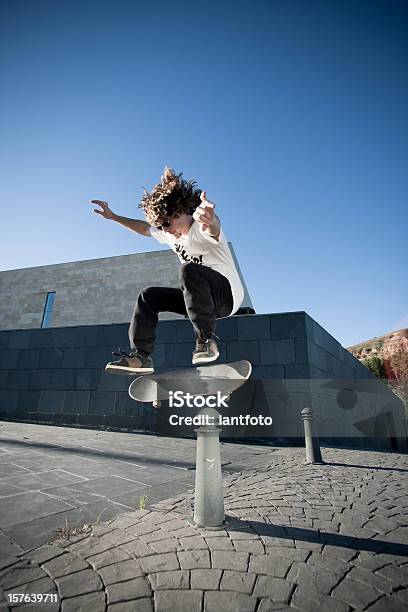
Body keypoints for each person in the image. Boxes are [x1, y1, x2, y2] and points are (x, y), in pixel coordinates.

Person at [91, 167, 244, 375]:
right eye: (161, 226)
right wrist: (114, 217)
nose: (166, 230)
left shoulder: (200, 228)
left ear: (180, 210)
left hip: (227, 296)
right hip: (200, 300)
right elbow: (144, 228)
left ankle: (206, 341)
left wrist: (211, 219)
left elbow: (213, 229)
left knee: (189, 269)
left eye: (167, 223)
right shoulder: (169, 233)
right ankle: (141, 357)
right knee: (149, 296)